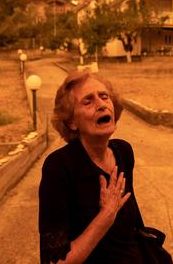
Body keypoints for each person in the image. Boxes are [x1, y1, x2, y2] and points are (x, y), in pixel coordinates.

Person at [38, 70, 143, 263]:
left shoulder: (123, 152)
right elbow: (55, 261)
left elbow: (133, 230)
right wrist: (106, 216)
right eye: (88, 101)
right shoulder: (58, 167)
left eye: (104, 96)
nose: (102, 104)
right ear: (71, 122)